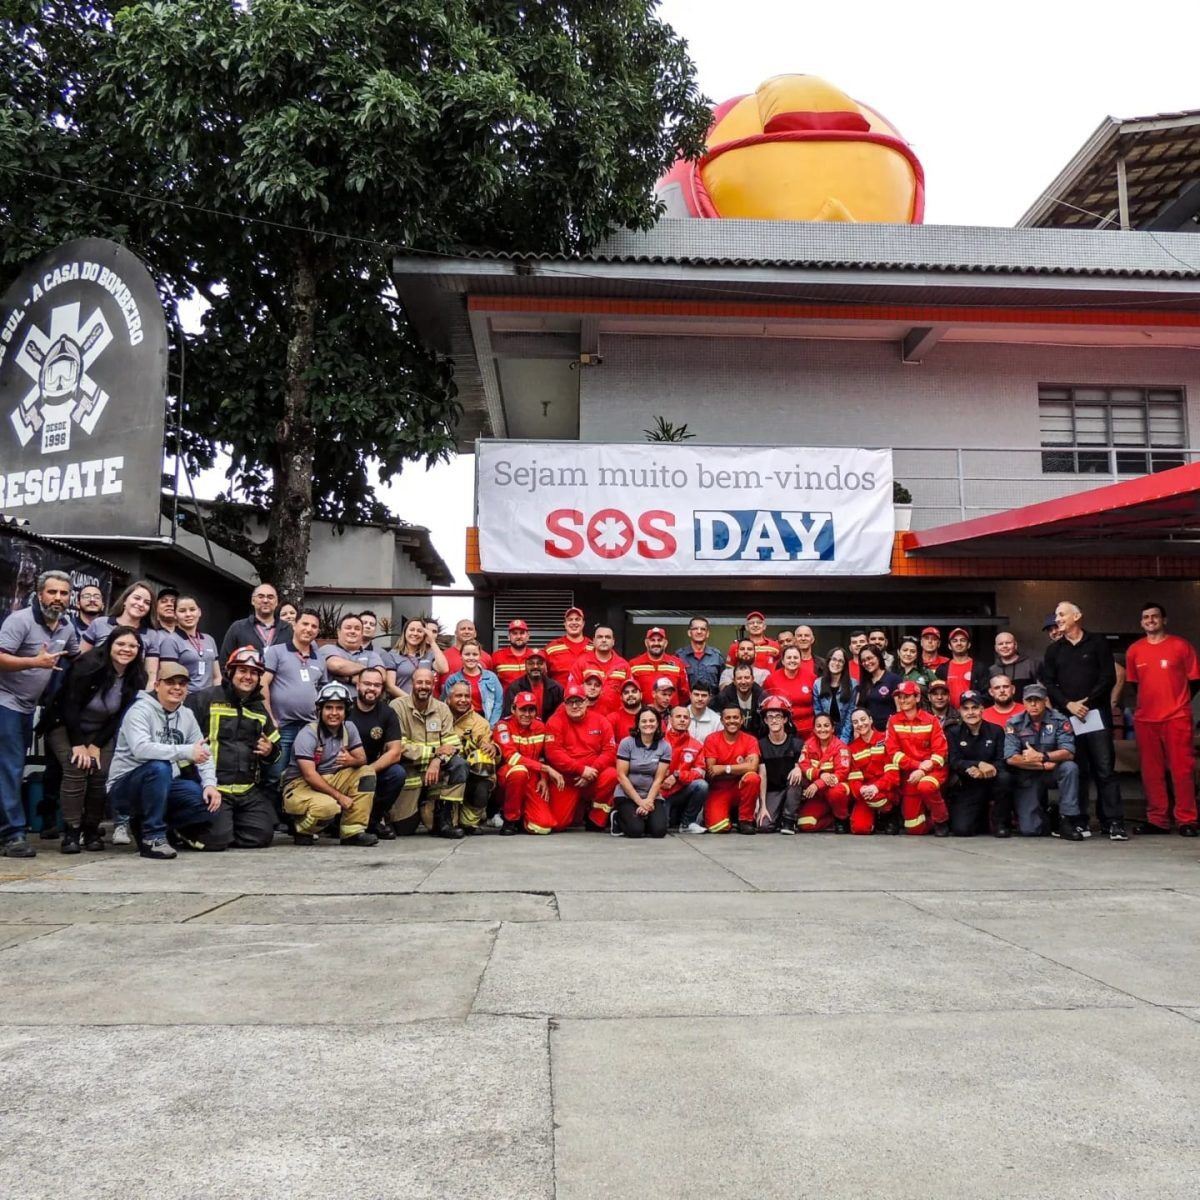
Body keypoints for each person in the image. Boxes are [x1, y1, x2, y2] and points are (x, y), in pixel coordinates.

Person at [40, 627, 145, 853]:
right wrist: (79, 744)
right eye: (121, 644)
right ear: (110, 645)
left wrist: (95, 745)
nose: (126, 650)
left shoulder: (137, 676)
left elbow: (120, 716)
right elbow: (70, 705)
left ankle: (91, 829)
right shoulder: (89, 665)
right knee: (76, 767)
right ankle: (71, 832)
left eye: (132, 646)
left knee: (100, 772)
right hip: (65, 724)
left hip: (99, 731)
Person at [106, 663, 221, 859]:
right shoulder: (139, 710)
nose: (177, 688)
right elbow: (142, 749)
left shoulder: (186, 715)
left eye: (182, 684)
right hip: (125, 788)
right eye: (170, 682)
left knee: (205, 802)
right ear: (157, 685)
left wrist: (210, 784)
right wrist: (185, 751)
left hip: (163, 785)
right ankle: (153, 837)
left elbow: (202, 751)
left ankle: (148, 824)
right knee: (159, 767)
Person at [0, 570, 79, 858]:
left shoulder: (66, 627)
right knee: (10, 767)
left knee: (12, 767)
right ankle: (13, 835)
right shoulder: (19, 621)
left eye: (64, 593)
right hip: (4, 701)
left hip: (28, 706)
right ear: (39, 593)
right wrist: (36, 661)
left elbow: (75, 654)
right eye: (52, 592)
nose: (58, 598)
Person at [1042, 601, 1126, 840]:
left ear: (1077, 616)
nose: (1057, 619)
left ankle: (1113, 821)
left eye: (1061, 614)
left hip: (1096, 715)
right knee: (1077, 769)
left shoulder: (1098, 642)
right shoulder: (1054, 650)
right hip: (1068, 719)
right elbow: (1049, 683)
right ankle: (1079, 820)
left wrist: (1086, 703)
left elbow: (1108, 677)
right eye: (1056, 615)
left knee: (1104, 769)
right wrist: (1069, 705)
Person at [185, 646, 280, 850]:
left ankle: (225, 826)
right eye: (243, 671)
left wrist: (269, 751)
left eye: (254, 673)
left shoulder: (259, 708)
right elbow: (183, 742)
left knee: (262, 836)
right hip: (212, 788)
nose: (248, 677)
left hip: (246, 791)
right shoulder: (204, 699)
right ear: (230, 672)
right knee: (214, 841)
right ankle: (184, 828)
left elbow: (276, 750)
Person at [1124, 601, 1200, 836]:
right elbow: (1135, 685)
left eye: (1155, 617)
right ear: (1141, 622)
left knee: (1182, 769)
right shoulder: (1134, 650)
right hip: (1146, 719)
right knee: (1151, 771)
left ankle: (1187, 819)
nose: (1150, 620)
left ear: (1164, 620)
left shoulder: (1181, 646)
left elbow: (1195, 680)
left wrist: (1176, 701)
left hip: (1176, 717)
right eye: (1146, 617)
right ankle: (1158, 820)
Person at [281, 681, 378, 846]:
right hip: (301, 785)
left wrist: (351, 760)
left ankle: (352, 832)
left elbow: (362, 759)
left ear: (346, 711)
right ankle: (301, 829)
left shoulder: (349, 728)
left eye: (339, 708)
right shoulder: (308, 734)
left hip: (331, 778)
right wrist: (340, 797)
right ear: (320, 710)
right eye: (329, 708)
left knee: (366, 772)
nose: (334, 713)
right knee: (328, 807)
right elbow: (309, 776)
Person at [391, 667, 469, 837]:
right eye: (419, 682)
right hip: (410, 772)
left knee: (459, 765)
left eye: (428, 682)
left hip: (436, 774)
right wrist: (434, 751)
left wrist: (437, 760)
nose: (423, 686)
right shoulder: (397, 707)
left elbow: (453, 744)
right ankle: (412, 810)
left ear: (434, 685)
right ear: (412, 683)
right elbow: (400, 746)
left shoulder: (442, 709)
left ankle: (444, 820)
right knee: (404, 829)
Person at [261, 609, 327, 797]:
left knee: (303, 774)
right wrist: (269, 717)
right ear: (295, 625)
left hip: (309, 728)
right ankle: (272, 819)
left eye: (314, 626)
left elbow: (323, 692)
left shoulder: (319, 659)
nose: (309, 629)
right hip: (282, 725)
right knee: (275, 774)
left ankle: (292, 816)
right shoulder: (276, 651)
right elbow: (263, 683)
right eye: (305, 624)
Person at [1004, 683, 1080, 839]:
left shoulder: (1059, 720)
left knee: (1070, 768)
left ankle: (1068, 819)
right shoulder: (1014, 723)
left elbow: (1069, 752)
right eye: (1029, 700)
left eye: (1037, 700)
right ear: (1023, 702)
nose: (1033, 704)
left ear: (1045, 701)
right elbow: (1011, 758)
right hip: (1029, 775)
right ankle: (1050, 815)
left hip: (1053, 772)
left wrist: (1043, 756)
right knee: (1030, 830)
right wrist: (1042, 765)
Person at [544, 684, 618, 832]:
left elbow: (610, 751)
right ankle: (578, 811)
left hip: (593, 776)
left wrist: (591, 772)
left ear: (586, 702)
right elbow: (553, 753)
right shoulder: (555, 722)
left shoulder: (601, 721)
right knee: (558, 824)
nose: (575, 706)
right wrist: (581, 770)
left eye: (579, 701)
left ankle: (596, 818)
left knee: (612, 775)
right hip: (566, 780)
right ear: (564, 704)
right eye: (570, 702)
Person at [346, 665, 407, 840]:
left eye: (377, 685)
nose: (371, 688)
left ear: (382, 688)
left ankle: (372, 821)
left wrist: (368, 771)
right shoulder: (344, 708)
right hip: (344, 768)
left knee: (397, 773)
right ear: (358, 685)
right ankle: (341, 820)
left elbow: (394, 752)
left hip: (373, 768)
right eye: (367, 683)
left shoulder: (387, 713)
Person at [884, 680, 949, 836]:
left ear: (917, 698)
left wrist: (924, 769)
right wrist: (917, 766)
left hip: (933, 771)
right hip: (910, 776)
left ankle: (941, 820)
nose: (903, 700)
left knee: (926, 786)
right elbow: (893, 753)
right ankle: (932, 818)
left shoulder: (931, 720)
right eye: (899, 697)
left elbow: (941, 752)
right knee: (914, 829)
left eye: (907, 696)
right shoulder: (893, 721)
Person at [494, 691, 565, 835]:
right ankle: (509, 820)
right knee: (519, 771)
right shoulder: (503, 726)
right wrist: (546, 769)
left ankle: (522, 817)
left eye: (531, 710)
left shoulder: (540, 727)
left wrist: (544, 778)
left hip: (533, 777)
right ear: (513, 709)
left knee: (543, 827)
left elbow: (542, 756)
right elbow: (511, 758)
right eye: (523, 709)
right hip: (508, 776)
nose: (527, 714)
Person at [946, 690, 1012, 838]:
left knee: (1005, 778)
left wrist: (985, 771)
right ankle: (981, 818)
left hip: (992, 781)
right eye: (966, 708)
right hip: (969, 784)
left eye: (974, 708)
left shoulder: (996, 731)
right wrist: (977, 764)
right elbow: (954, 761)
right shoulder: (953, 732)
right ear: (960, 711)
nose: (970, 712)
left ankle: (1001, 823)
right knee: (961, 830)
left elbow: (1002, 760)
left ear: (982, 709)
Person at [447, 681, 499, 832]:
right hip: (444, 777)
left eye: (467, 696)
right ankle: (447, 812)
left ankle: (471, 817)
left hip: (471, 778)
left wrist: (493, 748)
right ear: (449, 698)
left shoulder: (480, 723)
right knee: (430, 824)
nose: (463, 700)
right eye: (458, 696)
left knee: (483, 758)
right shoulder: (438, 716)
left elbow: (489, 752)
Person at [613, 706, 673, 838]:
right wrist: (640, 802)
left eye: (652, 721)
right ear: (638, 724)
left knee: (659, 831)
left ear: (658, 724)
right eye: (644, 721)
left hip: (651, 795)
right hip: (628, 795)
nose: (648, 724)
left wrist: (648, 802)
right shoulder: (626, 743)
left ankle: (643, 818)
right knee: (635, 831)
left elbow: (659, 779)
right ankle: (617, 817)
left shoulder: (665, 746)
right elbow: (621, 776)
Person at [703, 706, 762, 834]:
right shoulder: (712, 739)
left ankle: (745, 820)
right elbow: (712, 771)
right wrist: (740, 769)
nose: (732, 721)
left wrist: (725, 768)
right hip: (719, 789)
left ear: (742, 720)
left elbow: (752, 767)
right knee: (718, 827)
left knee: (752, 777)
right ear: (722, 721)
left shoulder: (750, 740)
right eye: (728, 718)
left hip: (740, 787)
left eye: (735, 717)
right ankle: (728, 817)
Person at [796, 713, 852, 833]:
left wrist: (817, 784)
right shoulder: (808, 745)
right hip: (819, 796)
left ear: (833, 728)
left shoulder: (841, 747)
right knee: (805, 824)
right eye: (819, 726)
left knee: (836, 792)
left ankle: (841, 819)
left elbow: (841, 773)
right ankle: (831, 819)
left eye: (826, 726)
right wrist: (820, 774)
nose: (822, 729)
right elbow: (804, 766)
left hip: (836, 791)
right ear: (814, 729)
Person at [756, 696, 805, 834]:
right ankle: (778, 817)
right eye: (770, 717)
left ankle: (789, 821)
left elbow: (804, 765)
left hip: (792, 789)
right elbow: (762, 776)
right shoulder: (761, 745)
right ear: (765, 720)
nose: (774, 720)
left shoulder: (796, 743)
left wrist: (798, 768)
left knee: (796, 776)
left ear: (785, 719)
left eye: (778, 716)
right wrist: (762, 806)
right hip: (773, 790)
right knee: (764, 826)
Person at [846, 707, 897, 835]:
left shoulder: (885, 740)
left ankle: (889, 814)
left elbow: (893, 774)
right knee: (860, 829)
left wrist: (876, 787)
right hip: (865, 794)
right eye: (855, 722)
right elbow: (854, 778)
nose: (860, 724)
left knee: (878, 798)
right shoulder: (852, 748)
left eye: (863, 719)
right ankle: (875, 819)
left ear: (871, 720)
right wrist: (861, 790)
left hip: (886, 790)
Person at [662, 704, 709, 832]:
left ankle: (688, 823)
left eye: (685, 717)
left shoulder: (697, 745)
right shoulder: (659, 741)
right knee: (661, 828)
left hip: (681, 791)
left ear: (689, 721)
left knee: (702, 785)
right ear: (670, 720)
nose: (682, 720)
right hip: (659, 793)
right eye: (678, 717)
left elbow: (700, 772)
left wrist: (678, 775)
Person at [220, 583, 292, 660]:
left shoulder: (287, 629)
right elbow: (224, 661)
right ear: (252, 600)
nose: (265, 600)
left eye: (270, 597)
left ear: (276, 602)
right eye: (260, 597)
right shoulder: (238, 627)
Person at [441, 641, 504, 726]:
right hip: (460, 723)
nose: (471, 657)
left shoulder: (491, 677)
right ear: (461, 656)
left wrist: (490, 726)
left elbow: (498, 703)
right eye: (467, 654)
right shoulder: (453, 680)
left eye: (475, 654)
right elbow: (445, 704)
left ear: (480, 656)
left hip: (485, 722)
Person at [763, 645, 817, 738]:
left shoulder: (811, 677)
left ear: (800, 660)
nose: (792, 660)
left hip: (809, 731)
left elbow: (818, 704)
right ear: (783, 661)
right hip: (783, 730)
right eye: (789, 657)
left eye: (795, 657)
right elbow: (765, 705)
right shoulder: (771, 679)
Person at [628, 626, 691, 704]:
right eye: (652, 640)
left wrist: (674, 708)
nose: (656, 643)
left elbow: (685, 693)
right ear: (646, 643)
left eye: (660, 640)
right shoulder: (634, 664)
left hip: (670, 714)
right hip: (644, 714)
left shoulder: (678, 664)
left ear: (665, 643)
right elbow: (629, 692)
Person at [389, 618, 449, 696]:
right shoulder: (393, 654)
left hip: (425, 704)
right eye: (411, 630)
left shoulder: (429, 655)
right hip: (401, 704)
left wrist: (432, 641)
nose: (415, 633)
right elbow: (390, 686)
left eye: (419, 631)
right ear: (405, 632)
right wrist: (411, 701)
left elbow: (443, 669)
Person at [321, 612, 386, 685]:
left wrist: (348, 678)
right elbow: (337, 666)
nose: (352, 631)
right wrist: (369, 670)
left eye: (357, 629)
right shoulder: (328, 649)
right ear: (338, 632)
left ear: (361, 634)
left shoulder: (372, 655)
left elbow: (380, 677)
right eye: (348, 628)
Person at [171, 596, 222, 690]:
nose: (188, 614)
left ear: (199, 612)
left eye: (192, 609)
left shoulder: (209, 639)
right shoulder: (171, 640)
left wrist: (216, 696)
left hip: (209, 699)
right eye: (182, 611)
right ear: (175, 615)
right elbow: (169, 678)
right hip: (185, 698)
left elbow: (217, 676)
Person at [500, 647, 563, 720]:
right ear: (525, 666)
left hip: (549, 729)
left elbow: (561, 716)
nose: (535, 666)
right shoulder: (515, 688)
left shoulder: (556, 688)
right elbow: (509, 715)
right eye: (531, 663)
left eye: (539, 663)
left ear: (545, 666)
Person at [935, 628, 989, 708]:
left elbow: (986, 694)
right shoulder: (942, 669)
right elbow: (937, 694)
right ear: (949, 646)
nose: (959, 643)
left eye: (963, 640)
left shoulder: (979, 667)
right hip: (949, 716)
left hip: (972, 714)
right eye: (955, 641)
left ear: (969, 645)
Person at [572, 626, 629, 701]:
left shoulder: (623, 665)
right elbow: (573, 692)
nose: (604, 640)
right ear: (593, 641)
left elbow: (628, 693)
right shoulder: (581, 663)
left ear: (613, 641)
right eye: (600, 637)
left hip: (615, 712)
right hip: (588, 712)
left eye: (608, 637)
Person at [812, 646, 854, 742]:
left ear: (845, 665)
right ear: (828, 661)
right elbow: (818, 711)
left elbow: (850, 715)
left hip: (846, 733)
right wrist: (825, 734)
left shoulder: (853, 685)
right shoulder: (818, 684)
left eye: (841, 661)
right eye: (834, 659)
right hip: (825, 733)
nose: (836, 663)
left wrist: (843, 740)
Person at [855, 646, 901, 732]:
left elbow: (899, 709)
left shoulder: (894, 679)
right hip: (870, 732)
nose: (867, 663)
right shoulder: (864, 683)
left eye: (869, 658)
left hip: (890, 731)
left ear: (878, 657)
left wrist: (893, 726)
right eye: (863, 661)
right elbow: (859, 708)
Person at [675, 617, 724, 696]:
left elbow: (722, 684)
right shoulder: (679, 656)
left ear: (707, 633)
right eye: (695, 629)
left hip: (712, 705)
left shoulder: (717, 656)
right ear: (689, 632)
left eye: (703, 629)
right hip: (686, 706)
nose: (699, 632)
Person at [544, 607, 593, 686]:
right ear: (565, 624)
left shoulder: (594, 648)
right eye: (570, 619)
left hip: (587, 697)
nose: (574, 622)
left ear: (583, 623)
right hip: (559, 697)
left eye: (577, 619)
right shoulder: (551, 648)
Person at [715, 664, 766, 736]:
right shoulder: (724, 697)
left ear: (753, 679)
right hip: (732, 736)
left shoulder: (762, 697)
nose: (743, 682)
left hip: (757, 737)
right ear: (734, 681)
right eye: (739, 678)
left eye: (747, 678)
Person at [492, 619, 537, 690]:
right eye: (514, 633)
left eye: (522, 633)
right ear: (509, 637)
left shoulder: (536, 656)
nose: (518, 636)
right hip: (507, 700)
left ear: (528, 636)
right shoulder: (497, 656)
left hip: (532, 700)